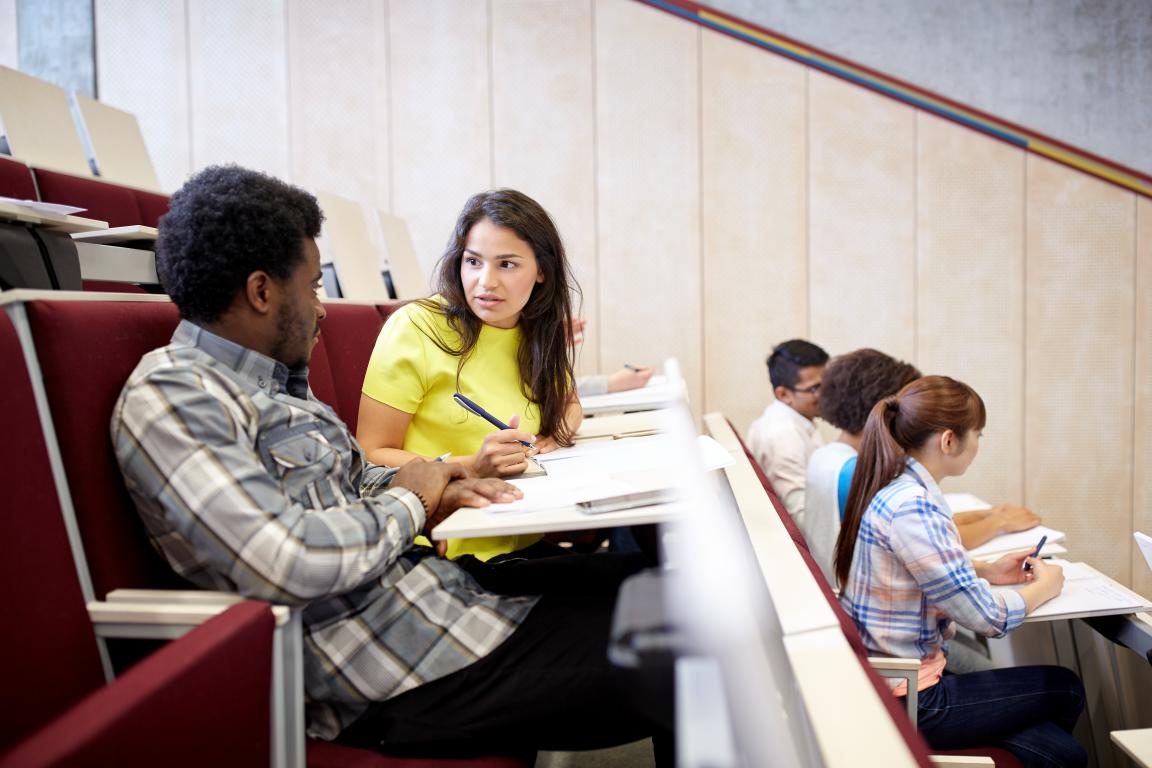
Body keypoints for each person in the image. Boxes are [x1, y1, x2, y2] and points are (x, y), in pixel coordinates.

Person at [111, 166, 673, 763]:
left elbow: (358, 479)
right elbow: (286, 559)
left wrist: (451, 479)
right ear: (261, 292)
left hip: (429, 596)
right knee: (695, 647)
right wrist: (416, 499)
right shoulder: (176, 395)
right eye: (312, 287)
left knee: (675, 591)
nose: (322, 309)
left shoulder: (273, 383)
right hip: (384, 664)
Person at [834, 375, 1085, 766]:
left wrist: (988, 571)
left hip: (898, 679)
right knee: (1065, 687)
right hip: (914, 699)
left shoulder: (894, 486)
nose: (979, 444)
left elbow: (918, 571)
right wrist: (1046, 586)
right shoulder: (914, 506)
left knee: (1064, 753)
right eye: (978, 434)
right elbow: (985, 617)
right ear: (949, 441)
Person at [356, 189, 582, 562]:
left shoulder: (534, 330)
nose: (485, 281)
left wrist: (554, 434)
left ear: (542, 271)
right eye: (473, 261)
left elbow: (571, 403)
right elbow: (370, 456)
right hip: (447, 548)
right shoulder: (417, 327)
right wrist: (471, 466)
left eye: (506, 264)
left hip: (518, 532)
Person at [805, 349, 1040, 584]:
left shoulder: (826, 455)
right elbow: (930, 540)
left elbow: (935, 524)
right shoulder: (861, 471)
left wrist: (990, 514)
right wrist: (999, 523)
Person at [747, 339, 828, 527]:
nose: (827, 393)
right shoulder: (783, 437)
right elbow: (802, 519)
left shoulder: (797, 419)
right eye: (815, 388)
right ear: (783, 394)